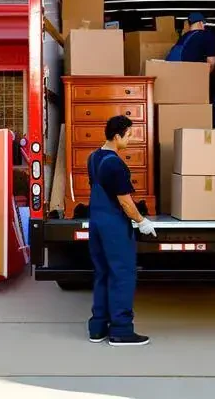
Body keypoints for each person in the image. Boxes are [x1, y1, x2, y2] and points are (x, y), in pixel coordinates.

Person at [86, 115, 158, 346]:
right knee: (122, 275)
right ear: (117, 136)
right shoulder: (115, 163)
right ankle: (121, 330)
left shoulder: (93, 158)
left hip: (96, 222)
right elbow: (125, 202)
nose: (131, 139)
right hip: (114, 226)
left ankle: (98, 328)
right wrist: (142, 221)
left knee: (103, 274)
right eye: (128, 135)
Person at [165, 12, 215, 98]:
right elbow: (211, 62)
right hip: (194, 80)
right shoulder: (207, 35)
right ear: (200, 23)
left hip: (176, 79)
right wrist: (204, 77)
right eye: (204, 23)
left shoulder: (183, 38)